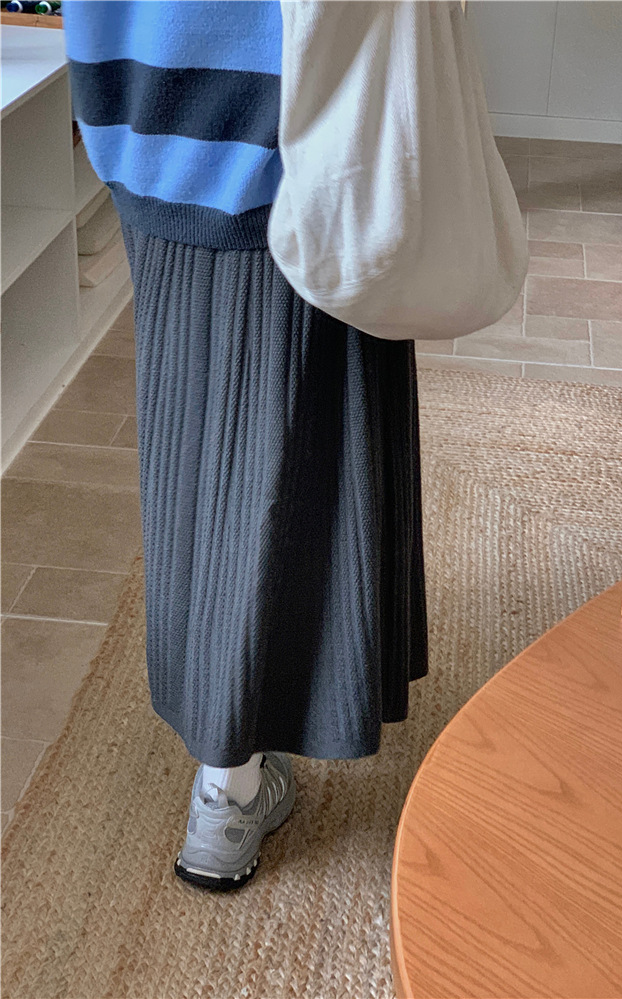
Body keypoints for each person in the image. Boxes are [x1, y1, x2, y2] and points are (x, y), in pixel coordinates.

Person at [63, 0, 428, 891]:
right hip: (296, 129)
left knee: (196, 451)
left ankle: (229, 765)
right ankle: (226, 787)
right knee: (295, 462)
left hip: (143, 107)